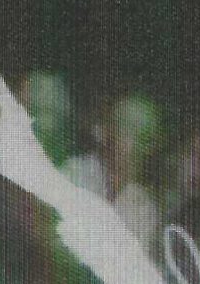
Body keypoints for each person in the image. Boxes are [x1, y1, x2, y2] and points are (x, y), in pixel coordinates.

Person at [65, 91, 165, 252]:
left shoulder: (145, 208)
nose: (138, 147)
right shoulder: (72, 174)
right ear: (107, 132)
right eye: (130, 132)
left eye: (146, 139)